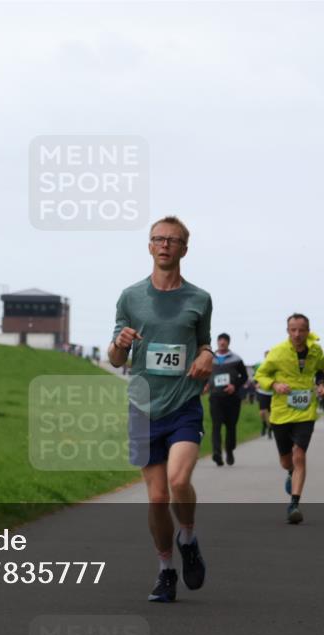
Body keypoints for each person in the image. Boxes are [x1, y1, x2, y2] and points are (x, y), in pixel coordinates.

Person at [108, 215, 212, 603]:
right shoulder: (130, 297)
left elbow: (203, 343)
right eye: (158, 239)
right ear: (149, 247)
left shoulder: (199, 299)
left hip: (183, 404)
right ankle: (166, 570)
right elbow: (116, 357)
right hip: (142, 407)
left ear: (185, 248)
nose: (165, 245)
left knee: (179, 481)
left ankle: (188, 537)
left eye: (173, 240)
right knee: (155, 498)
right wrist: (120, 342)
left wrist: (207, 356)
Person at [254, 314, 324, 524]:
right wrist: (275, 385)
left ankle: (294, 504)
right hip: (281, 412)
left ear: (307, 331)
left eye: (301, 330)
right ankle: (289, 472)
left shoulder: (316, 350)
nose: (297, 334)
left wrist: (321, 383)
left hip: (306, 411)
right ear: (287, 331)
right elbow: (260, 375)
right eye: (293, 330)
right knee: (287, 460)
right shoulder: (277, 352)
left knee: (299, 454)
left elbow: (322, 369)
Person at [205, 333, 249, 466]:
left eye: (225, 341)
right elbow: (205, 374)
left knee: (231, 427)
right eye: (220, 341)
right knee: (216, 426)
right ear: (217, 343)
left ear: (228, 343)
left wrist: (234, 386)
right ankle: (216, 453)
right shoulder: (210, 358)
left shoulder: (236, 359)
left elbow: (244, 376)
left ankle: (229, 451)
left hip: (232, 398)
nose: (222, 343)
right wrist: (206, 384)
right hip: (215, 397)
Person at [256, 351, 274, 439]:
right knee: (262, 412)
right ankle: (264, 425)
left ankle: (270, 430)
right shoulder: (261, 366)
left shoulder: (275, 366)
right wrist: (257, 383)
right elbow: (257, 376)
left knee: (270, 414)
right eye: (266, 356)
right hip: (262, 392)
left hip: (272, 393)